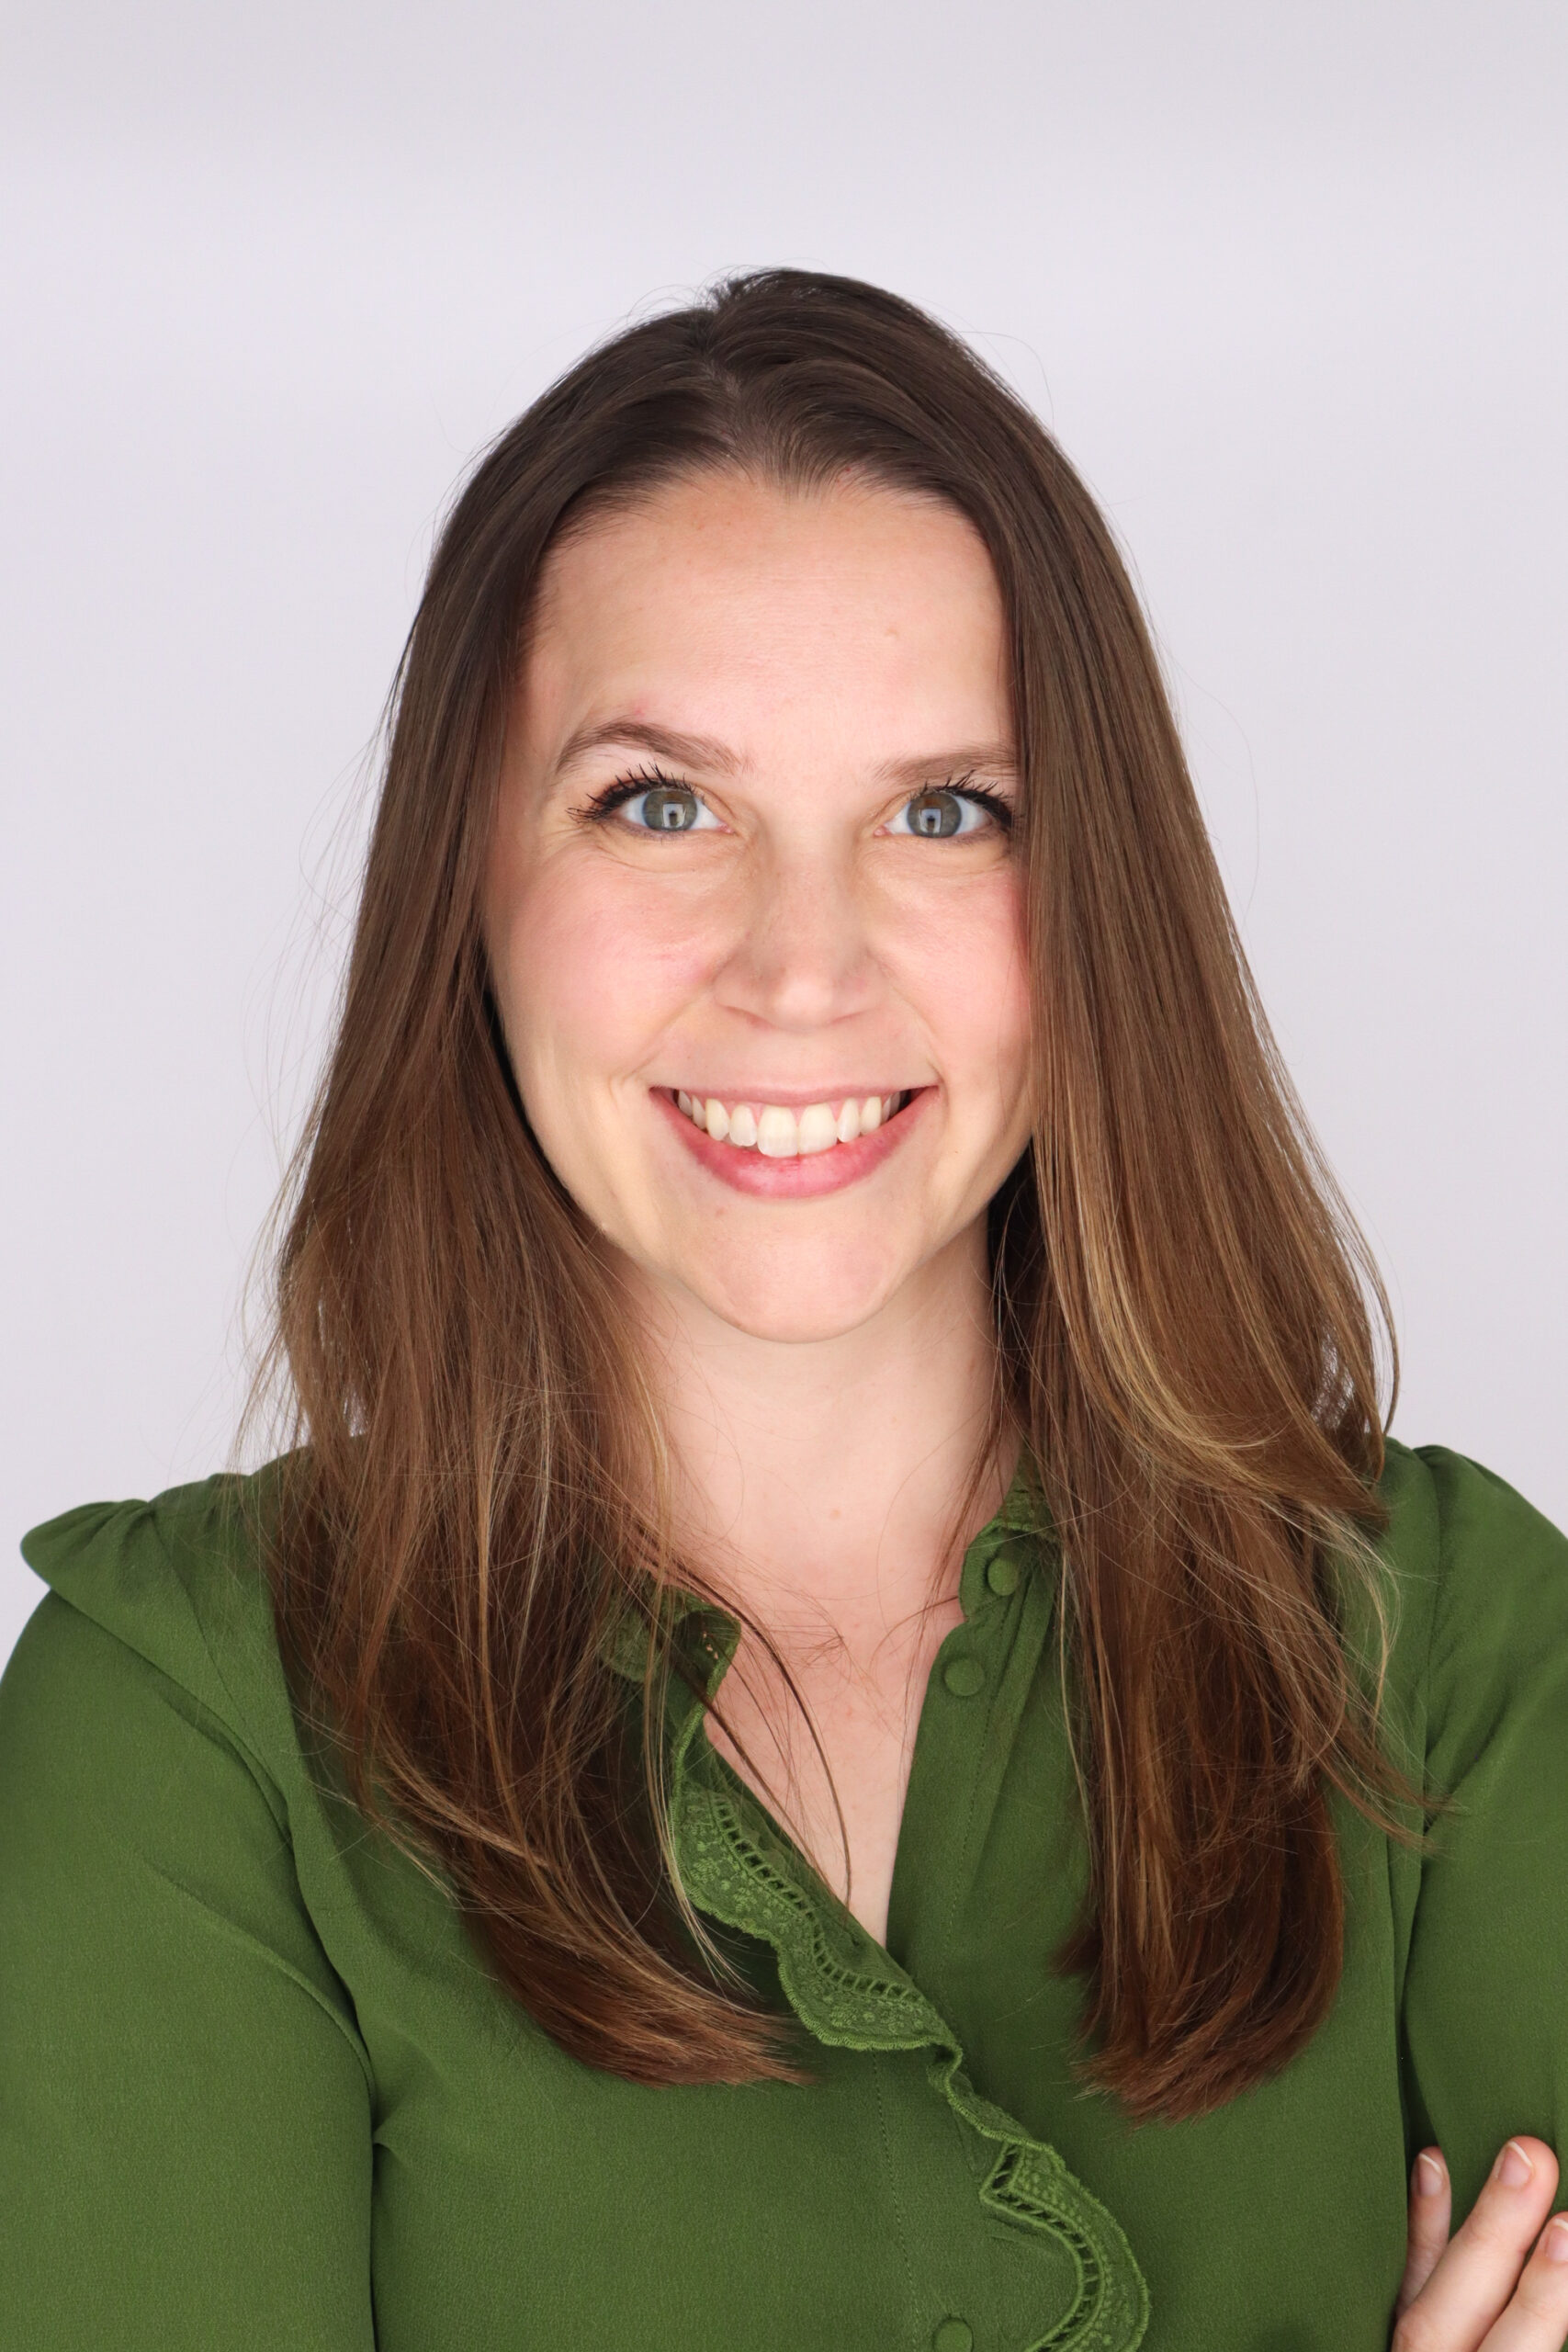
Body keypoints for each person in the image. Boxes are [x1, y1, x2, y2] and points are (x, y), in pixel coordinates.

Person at [1, 270, 1564, 2352]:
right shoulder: (189, 1729)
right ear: (466, 880)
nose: (797, 964)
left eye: (944, 811)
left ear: (1091, 887)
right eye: (659, 801)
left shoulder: (1445, 1642)